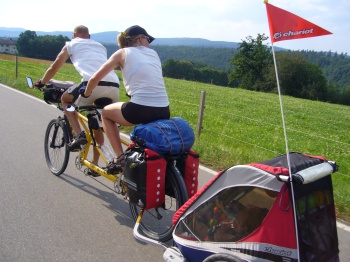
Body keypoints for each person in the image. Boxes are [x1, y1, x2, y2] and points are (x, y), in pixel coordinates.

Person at [35, 25, 120, 177]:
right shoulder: (100, 46)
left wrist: (42, 82)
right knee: (96, 121)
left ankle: (79, 135)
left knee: (66, 99)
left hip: (92, 84)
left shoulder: (71, 44)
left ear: (74, 35)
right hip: (113, 87)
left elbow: (54, 67)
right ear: (89, 36)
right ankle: (95, 163)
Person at [84, 25, 170, 174]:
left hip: (140, 109)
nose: (149, 43)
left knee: (105, 113)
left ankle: (120, 159)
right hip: (164, 110)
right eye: (148, 39)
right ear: (141, 39)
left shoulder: (122, 53)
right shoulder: (153, 54)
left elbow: (95, 78)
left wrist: (86, 93)